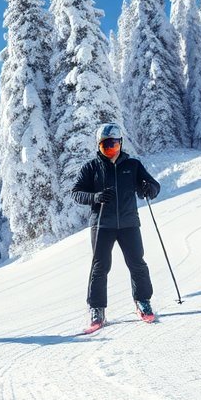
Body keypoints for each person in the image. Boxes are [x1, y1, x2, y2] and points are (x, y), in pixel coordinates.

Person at [71, 123, 161, 328]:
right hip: (102, 224)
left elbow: (154, 185)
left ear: (120, 144)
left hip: (129, 223)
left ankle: (143, 301)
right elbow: (76, 192)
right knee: (100, 267)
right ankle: (97, 309)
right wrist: (96, 197)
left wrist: (149, 189)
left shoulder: (133, 165)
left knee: (137, 262)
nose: (110, 150)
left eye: (113, 145)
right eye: (105, 146)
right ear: (99, 147)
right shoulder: (91, 168)